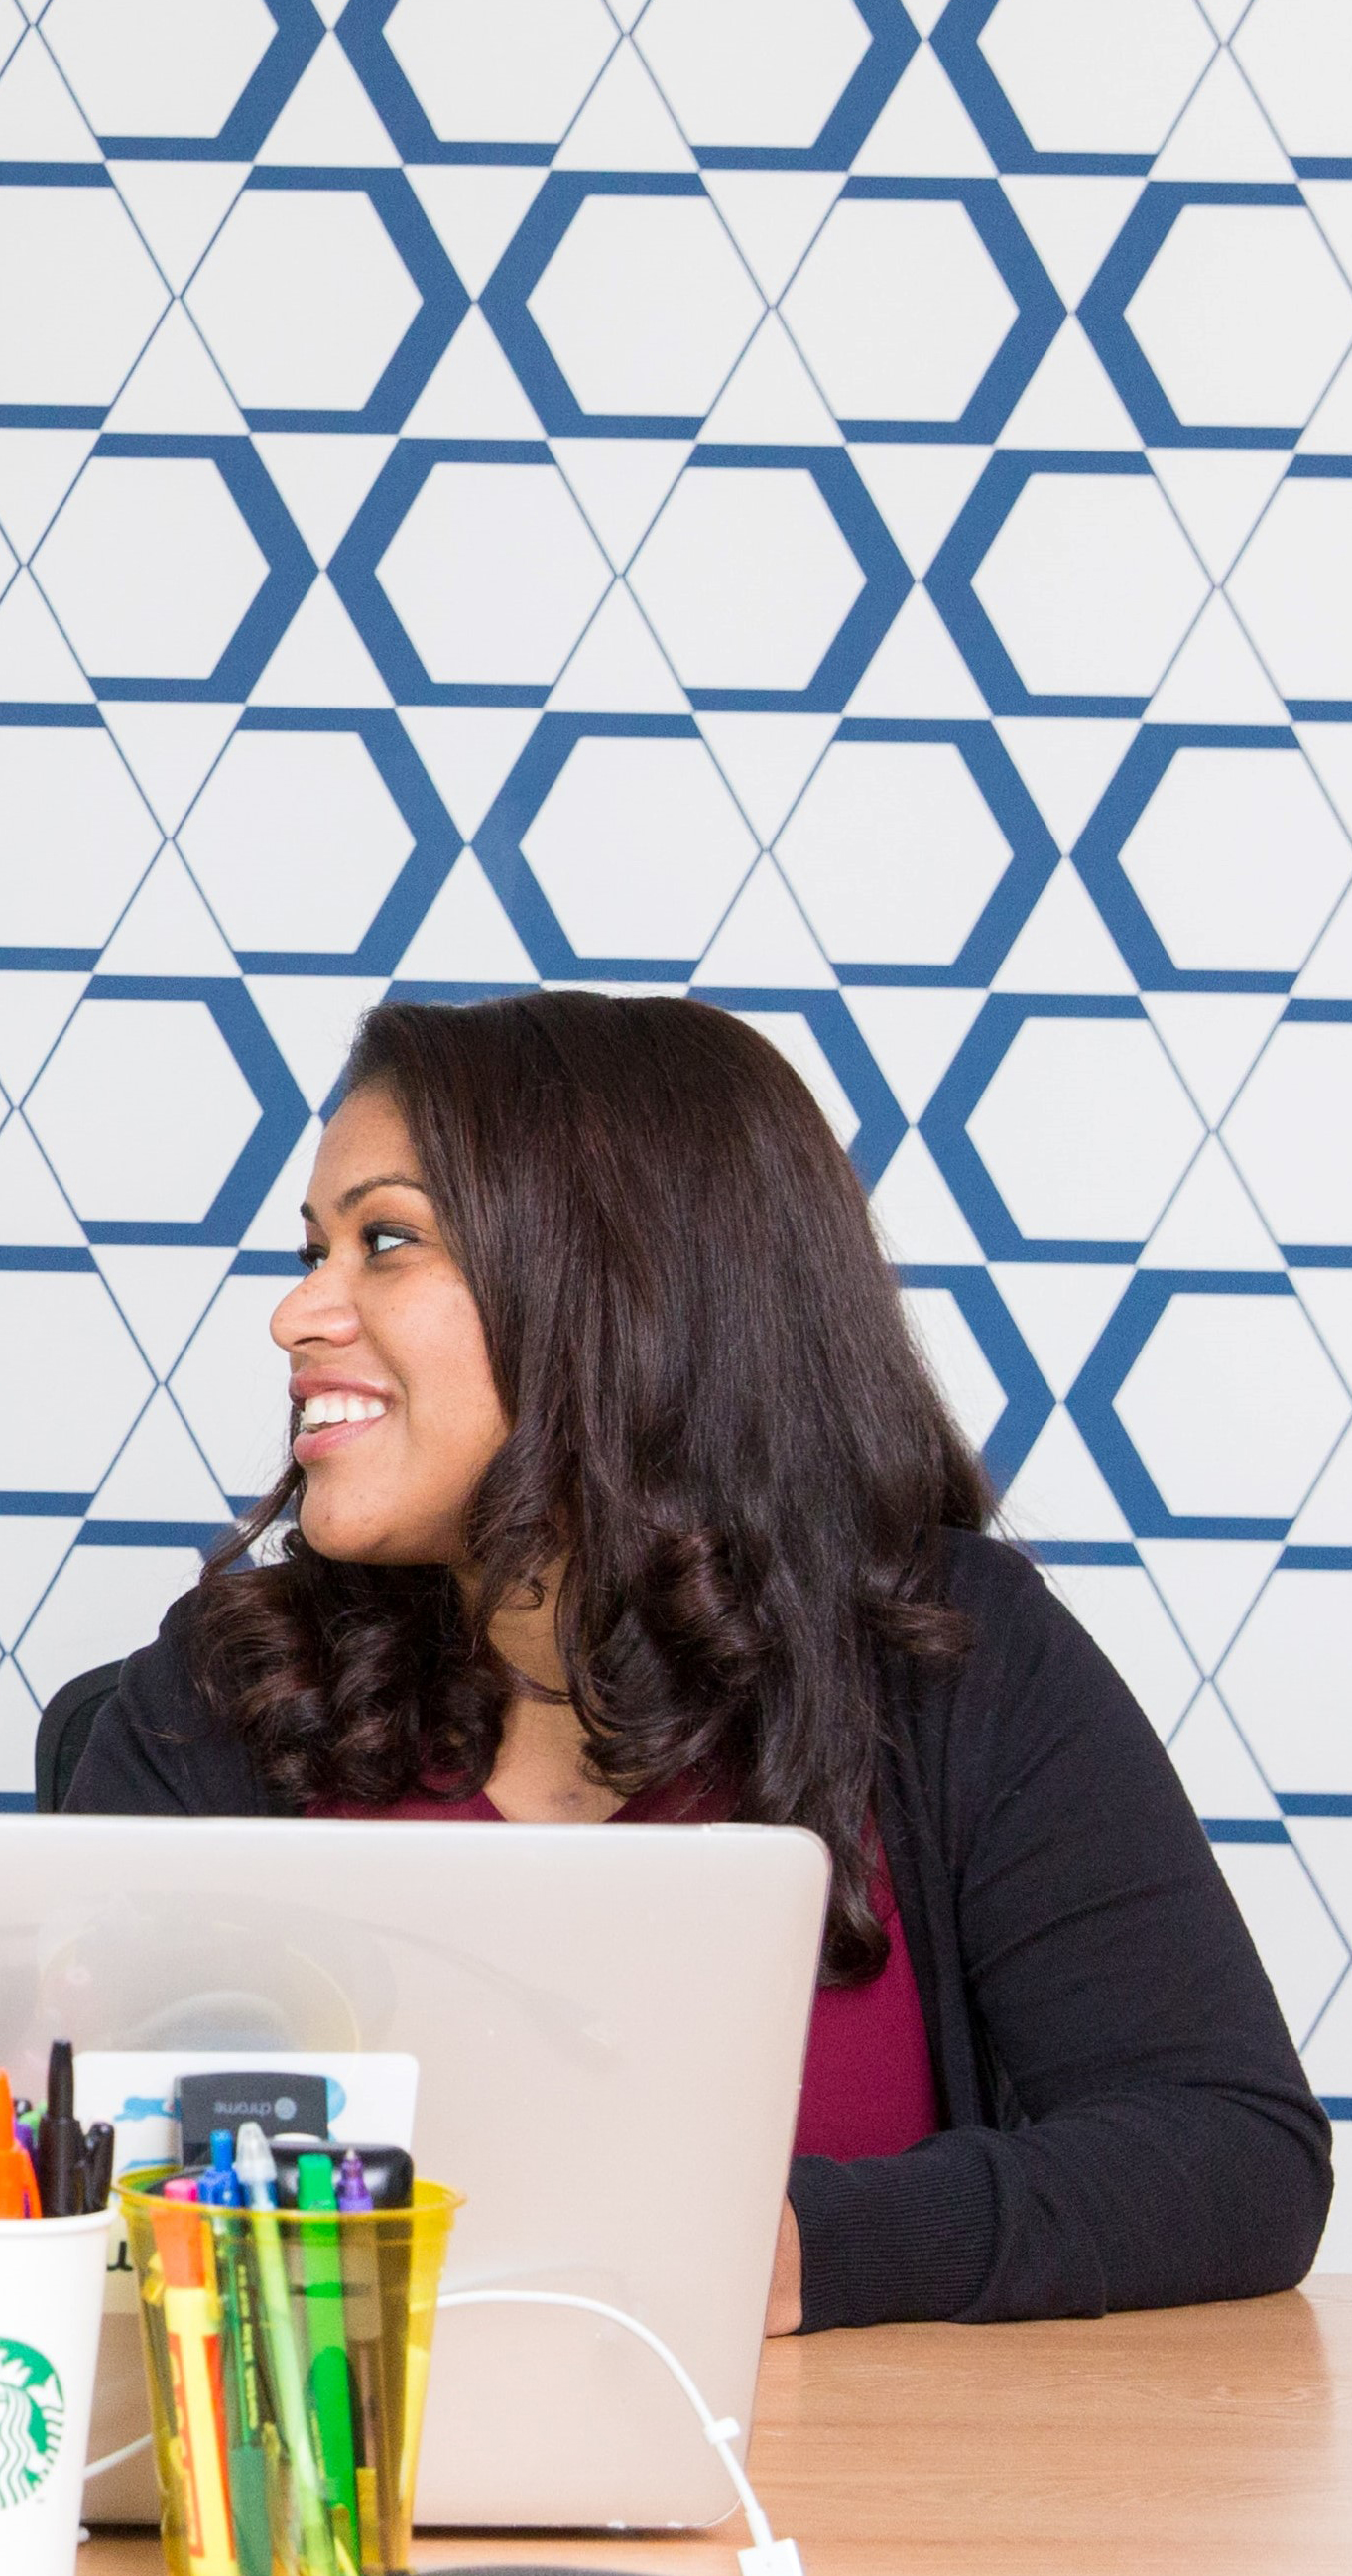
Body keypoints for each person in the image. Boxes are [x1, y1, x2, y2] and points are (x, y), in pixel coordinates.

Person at [65, 989, 1327, 2332]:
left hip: (858, 2526)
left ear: (619, 1284)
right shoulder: (222, 1690)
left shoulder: (949, 1653)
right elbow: (60, 2194)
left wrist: (782, 2253)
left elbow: (1229, 2158)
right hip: (333, 2507)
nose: (296, 1315)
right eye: (313, 1248)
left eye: (385, 1241)